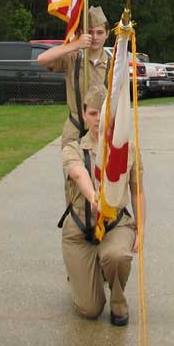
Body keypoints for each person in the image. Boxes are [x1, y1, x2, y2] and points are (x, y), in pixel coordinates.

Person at [61, 85, 144, 325]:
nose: (99, 119)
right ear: (85, 115)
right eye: (93, 113)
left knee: (117, 256)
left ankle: (118, 299)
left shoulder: (126, 150)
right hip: (80, 230)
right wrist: (93, 196)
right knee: (90, 309)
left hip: (115, 224)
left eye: (104, 113)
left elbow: (137, 191)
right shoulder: (73, 148)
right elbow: (78, 174)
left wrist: (141, 227)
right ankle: (88, 273)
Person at [37, 6, 110, 147]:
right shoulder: (72, 58)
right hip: (75, 129)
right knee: (73, 166)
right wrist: (76, 44)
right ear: (83, 33)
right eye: (90, 32)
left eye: (100, 32)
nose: (94, 37)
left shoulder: (113, 64)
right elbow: (42, 59)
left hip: (102, 129)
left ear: (107, 34)